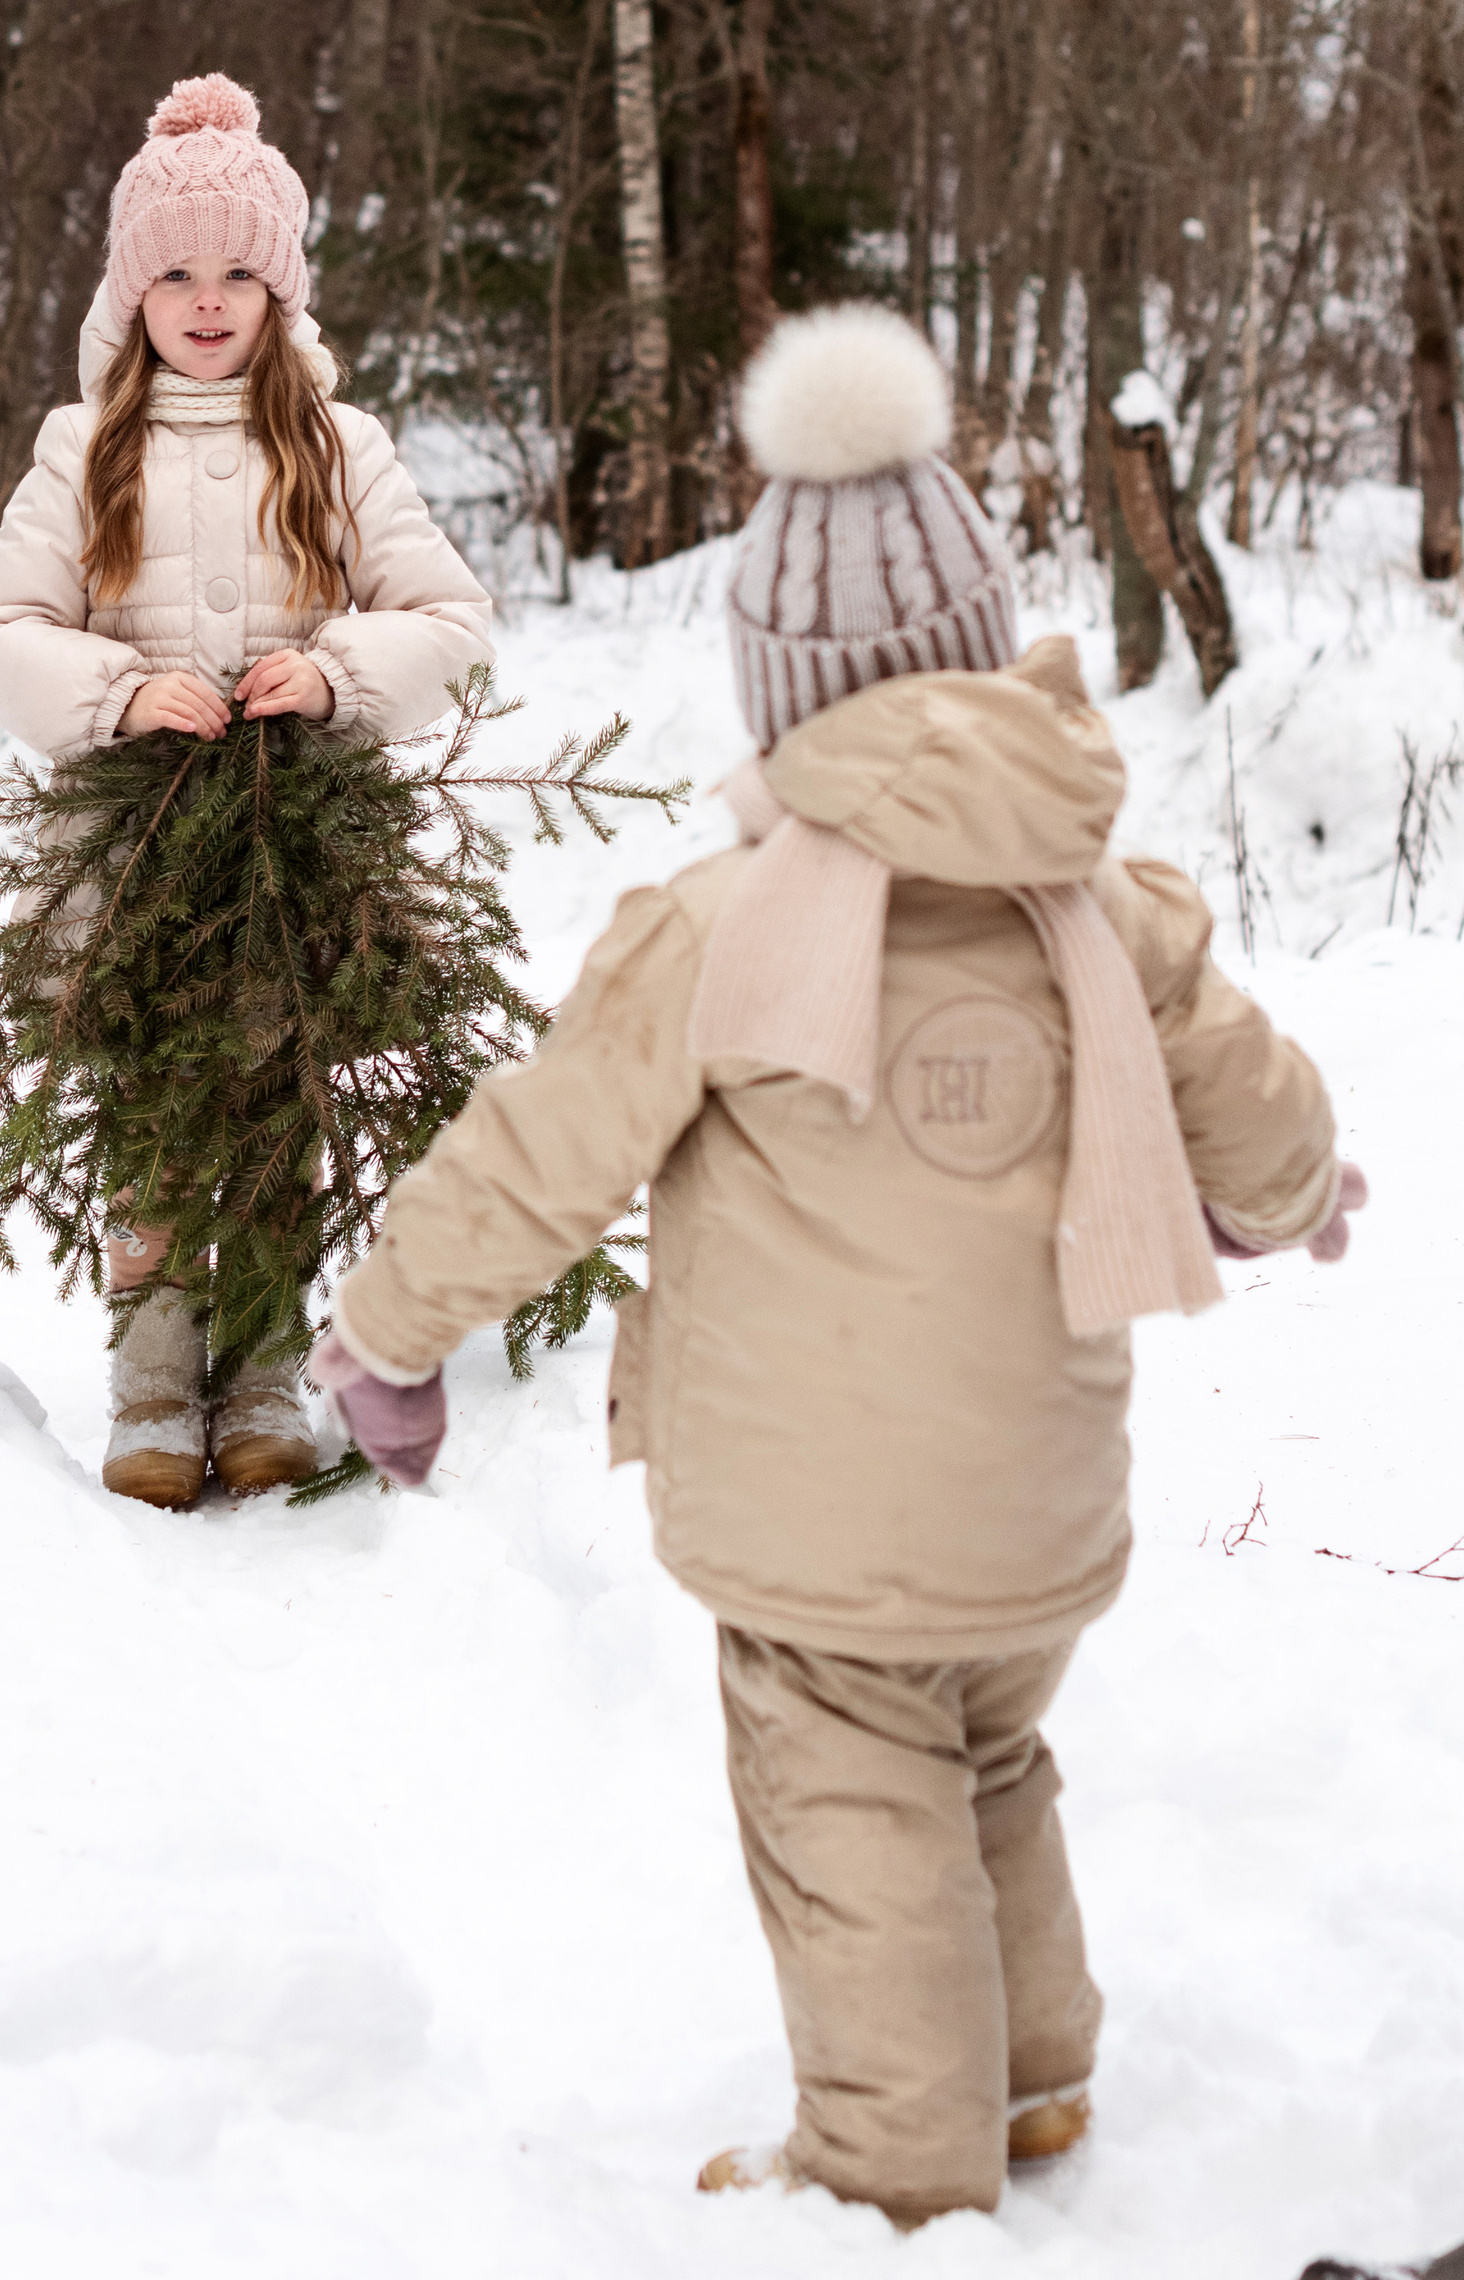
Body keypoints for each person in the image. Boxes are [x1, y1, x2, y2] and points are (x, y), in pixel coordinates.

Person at [315, 303, 1357, 2228]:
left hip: (811, 1528)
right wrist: (1290, 1196)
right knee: (993, 1760)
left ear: (780, 691)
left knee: (849, 1824)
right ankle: (1036, 2081)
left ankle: (890, 2172)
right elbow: (1257, 1112)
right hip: (1037, 1501)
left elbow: (538, 1154)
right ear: (970, 643)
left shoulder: (723, 921)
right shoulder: (1104, 901)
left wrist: (389, 1332)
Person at [0, 72, 492, 1503]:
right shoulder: (86, 450)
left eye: (237, 272)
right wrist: (119, 693)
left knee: (269, 1099)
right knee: (146, 1104)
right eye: (176, 274)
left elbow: (450, 618)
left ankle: (257, 1368)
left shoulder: (334, 444)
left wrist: (335, 671)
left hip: (287, 838)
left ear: (280, 288)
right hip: (132, 844)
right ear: (134, 291)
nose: (206, 301)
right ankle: (147, 1381)